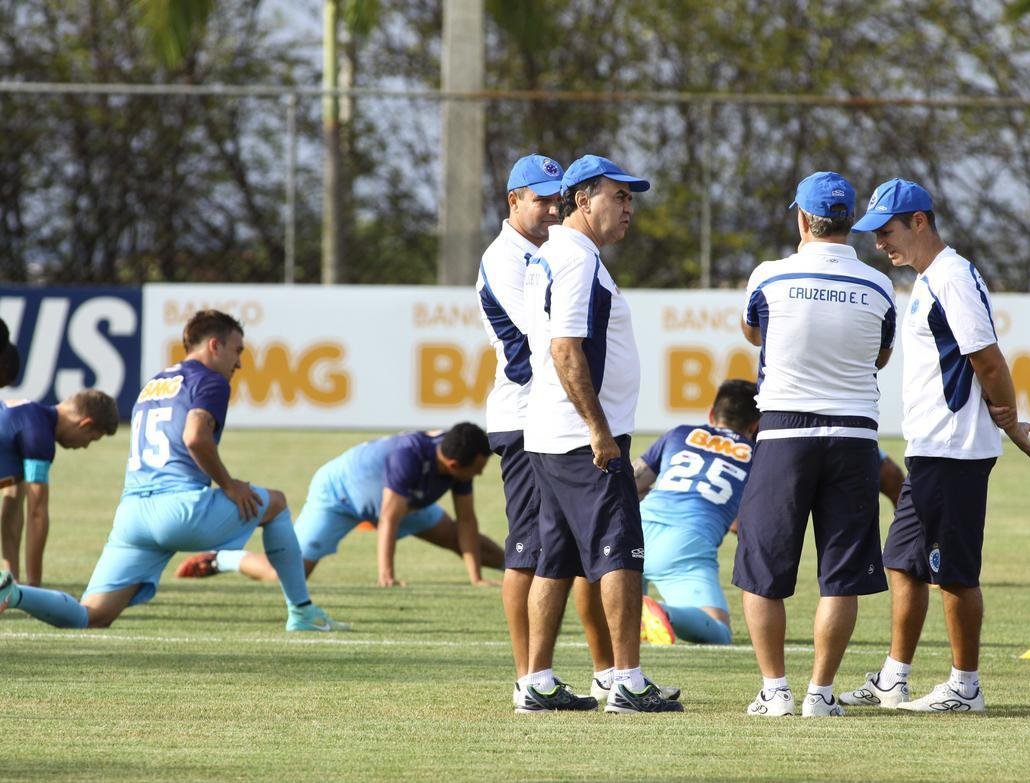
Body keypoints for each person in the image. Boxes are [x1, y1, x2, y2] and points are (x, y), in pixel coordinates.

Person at [841, 178, 1030, 714]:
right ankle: (895, 677)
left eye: (886, 232)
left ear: (919, 222)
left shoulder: (951, 277)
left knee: (952, 570)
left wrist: (1010, 424)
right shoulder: (930, 278)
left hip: (954, 449)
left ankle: (965, 686)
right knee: (904, 563)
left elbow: (988, 359)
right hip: (930, 447)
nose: (879, 244)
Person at [0, 310, 347, 631]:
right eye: (237, 350)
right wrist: (228, 485)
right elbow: (195, 436)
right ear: (214, 345)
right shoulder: (211, 381)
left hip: (132, 517)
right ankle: (302, 612)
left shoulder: (153, 384)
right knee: (277, 504)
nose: (239, 363)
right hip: (181, 511)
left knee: (92, 615)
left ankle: (13, 594)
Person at [521, 154, 682, 714]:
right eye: (620, 196)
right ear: (584, 200)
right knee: (622, 553)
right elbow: (565, 348)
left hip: (549, 433)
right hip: (581, 438)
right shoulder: (576, 259)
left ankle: (536, 681)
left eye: (631, 197)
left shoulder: (556, 254)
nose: (629, 208)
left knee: (555, 561)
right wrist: (599, 430)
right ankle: (628, 681)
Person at [735, 171, 896, 718]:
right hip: (855, 439)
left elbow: (754, 334)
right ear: (850, 222)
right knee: (841, 573)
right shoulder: (880, 285)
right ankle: (820, 694)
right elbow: (879, 357)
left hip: (784, 433)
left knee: (763, 569)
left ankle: (775, 691)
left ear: (802, 219)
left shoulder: (769, 276)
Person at [477, 153, 626, 714]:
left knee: (569, 551)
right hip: (524, 417)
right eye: (537, 199)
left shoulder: (549, 252)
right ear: (512, 200)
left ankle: (600, 672)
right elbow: (549, 338)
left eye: (553, 198)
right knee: (528, 550)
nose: (548, 208)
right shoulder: (507, 257)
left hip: (547, 415)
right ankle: (529, 676)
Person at [175, 423, 502, 588]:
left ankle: (525, 571)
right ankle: (223, 559)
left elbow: (467, 524)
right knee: (287, 574)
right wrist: (386, 576)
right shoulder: (409, 457)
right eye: (478, 466)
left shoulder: (458, 458)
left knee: (469, 543)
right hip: (339, 495)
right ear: (457, 464)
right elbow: (388, 518)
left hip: (407, 505)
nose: (482, 471)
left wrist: (475, 578)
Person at [634, 379, 759, 646]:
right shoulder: (757, 454)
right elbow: (742, 524)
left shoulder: (679, 433)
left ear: (712, 414)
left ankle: (633, 611)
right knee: (718, 631)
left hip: (638, 527)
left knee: (630, 600)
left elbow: (632, 483)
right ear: (755, 425)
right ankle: (663, 612)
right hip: (686, 542)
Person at [0, 389, 120, 585]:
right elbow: (36, 513)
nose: (85, 446)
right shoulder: (38, 436)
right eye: (91, 439)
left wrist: (11, 581)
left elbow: (12, 504)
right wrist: (34, 589)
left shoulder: (28, 418)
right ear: (85, 424)